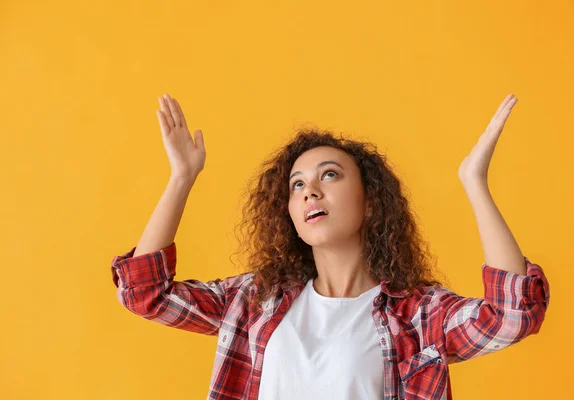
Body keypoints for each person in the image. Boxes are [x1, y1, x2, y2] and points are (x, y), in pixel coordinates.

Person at [111, 93, 550, 400]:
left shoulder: (416, 316)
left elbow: (513, 315)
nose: (309, 192)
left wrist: (475, 183)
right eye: (297, 185)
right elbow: (145, 294)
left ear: (372, 203)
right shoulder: (253, 300)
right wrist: (181, 178)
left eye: (330, 175)